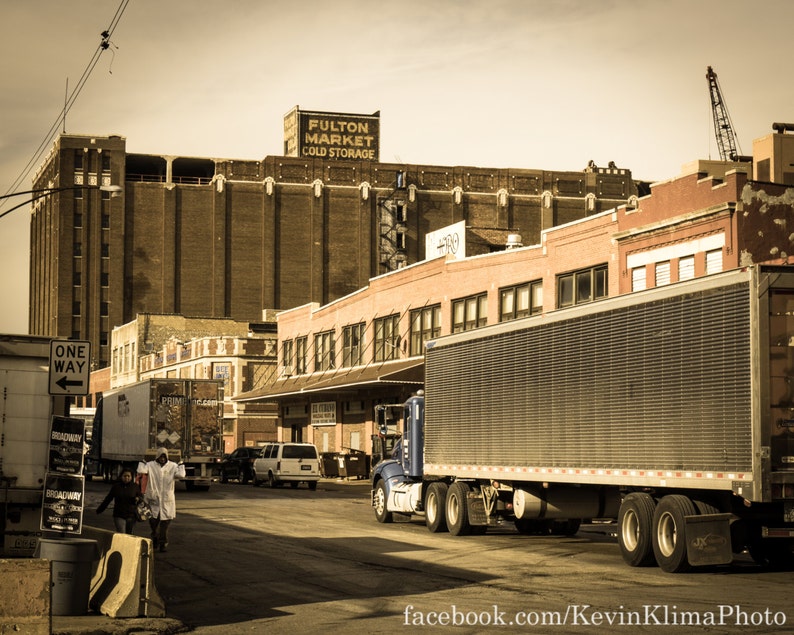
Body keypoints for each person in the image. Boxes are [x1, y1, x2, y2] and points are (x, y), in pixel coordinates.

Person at [137, 448, 185, 552]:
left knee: (165, 524)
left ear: (167, 457)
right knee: (153, 522)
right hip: (153, 499)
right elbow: (141, 471)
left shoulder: (172, 466)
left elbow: (181, 475)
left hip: (167, 500)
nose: (162, 459)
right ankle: (155, 537)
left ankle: (163, 543)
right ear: (157, 457)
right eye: (161, 457)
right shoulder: (150, 465)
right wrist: (142, 462)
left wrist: (181, 465)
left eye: (164, 457)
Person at [96, 468, 142, 534]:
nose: (126, 478)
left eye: (128, 476)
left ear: (131, 477)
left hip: (131, 515)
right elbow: (108, 499)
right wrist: (100, 509)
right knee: (121, 533)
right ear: (121, 476)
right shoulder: (116, 487)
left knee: (129, 534)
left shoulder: (135, 487)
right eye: (125, 476)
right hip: (119, 514)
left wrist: (138, 499)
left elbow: (141, 497)